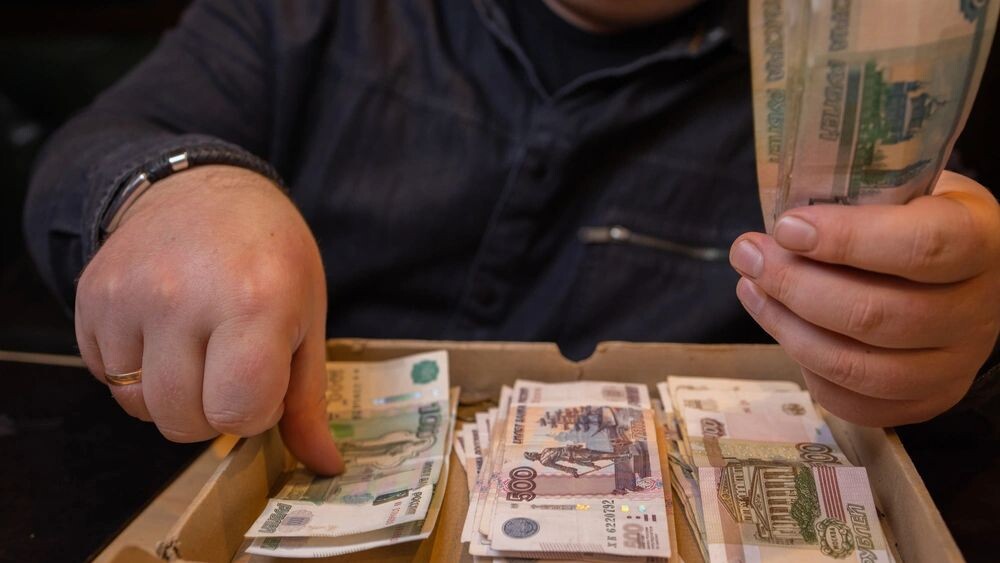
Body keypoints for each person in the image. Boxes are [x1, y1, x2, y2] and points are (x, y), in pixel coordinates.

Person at [24, 0, 1000, 476]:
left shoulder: (870, 65)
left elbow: (941, 298)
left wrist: (959, 333)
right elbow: (97, 148)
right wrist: (174, 188)